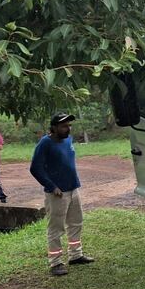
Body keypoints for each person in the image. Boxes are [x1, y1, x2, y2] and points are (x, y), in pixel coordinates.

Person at [30, 112, 94, 276]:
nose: (68, 128)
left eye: (69, 125)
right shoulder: (45, 143)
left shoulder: (67, 140)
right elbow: (35, 168)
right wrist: (51, 186)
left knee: (76, 222)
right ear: (54, 127)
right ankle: (56, 262)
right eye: (64, 126)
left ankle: (75, 255)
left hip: (73, 188)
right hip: (57, 193)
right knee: (56, 227)